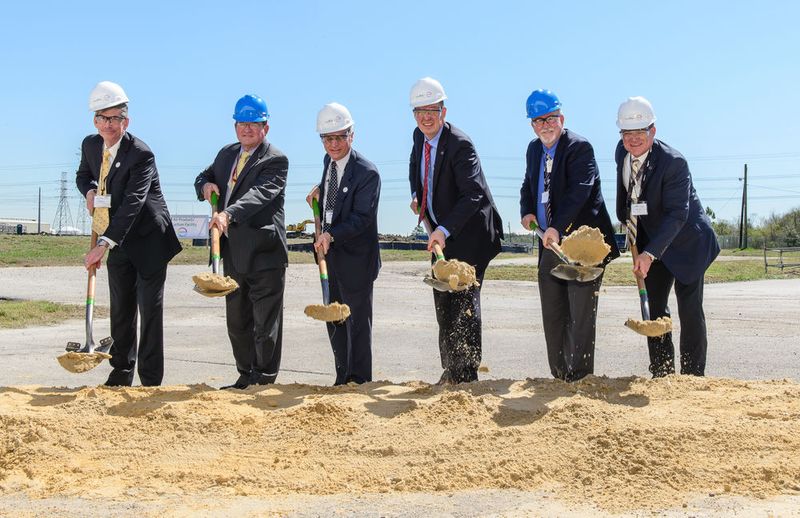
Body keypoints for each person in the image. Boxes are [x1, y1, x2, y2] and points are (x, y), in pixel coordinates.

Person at [76, 81, 182, 387]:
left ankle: (150, 381)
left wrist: (103, 245)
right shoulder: (91, 145)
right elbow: (83, 175)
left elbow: (133, 204)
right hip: (117, 237)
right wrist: (90, 190)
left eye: (115, 119)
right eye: (102, 119)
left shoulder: (141, 154)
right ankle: (121, 372)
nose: (108, 125)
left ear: (127, 121)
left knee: (149, 311)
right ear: (95, 120)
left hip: (148, 239)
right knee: (121, 308)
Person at [614, 96, 720, 377]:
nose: (633, 140)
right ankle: (661, 371)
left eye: (640, 133)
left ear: (653, 131)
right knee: (655, 308)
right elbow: (626, 195)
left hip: (687, 243)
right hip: (650, 240)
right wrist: (628, 228)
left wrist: (649, 254)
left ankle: (692, 377)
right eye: (627, 134)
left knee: (690, 311)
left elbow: (676, 216)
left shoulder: (674, 163)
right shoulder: (621, 153)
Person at [407, 77, 503, 384]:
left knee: (464, 303)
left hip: (470, 233)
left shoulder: (460, 144)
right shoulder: (418, 137)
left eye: (432, 110)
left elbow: (472, 194)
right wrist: (418, 201)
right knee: (443, 301)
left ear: (443, 111)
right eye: (420, 111)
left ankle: (467, 375)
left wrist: (444, 229)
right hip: (441, 237)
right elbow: (418, 175)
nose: (426, 117)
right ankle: (450, 370)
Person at [519, 89, 619, 382]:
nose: (545, 126)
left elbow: (580, 192)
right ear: (532, 125)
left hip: (581, 248)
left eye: (550, 118)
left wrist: (557, 227)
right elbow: (528, 184)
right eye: (538, 121)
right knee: (553, 311)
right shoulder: (534, 149)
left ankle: (579, 377)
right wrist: (527, 210)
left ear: (561, 118)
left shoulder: (579, 148)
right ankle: (559, 374)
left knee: (580, 314)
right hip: (550, 245)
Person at [194, 94, 288, 389]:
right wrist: (204, 186)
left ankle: (264, 378)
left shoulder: (275, 159)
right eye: (242, 123)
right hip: (234, 253)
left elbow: (258, 196)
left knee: (265, 323)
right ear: (235, 126)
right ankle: (245, 374)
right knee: (237, 320)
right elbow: (205, 176)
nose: (246, 129)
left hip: (264, 253)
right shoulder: (226, 154)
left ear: (266, 127)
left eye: (253, 124)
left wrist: (227, 215)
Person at [306, 103, 381, 385]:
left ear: (352, 135)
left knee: (357, 324)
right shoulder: (329, 163)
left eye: (340, 137)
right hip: (330, 257)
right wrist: (319, 192)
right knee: (335, 320)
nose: (334, 144)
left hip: (356, 261)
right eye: (328, 138)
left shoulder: (367, 172)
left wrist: (331, 234)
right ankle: (342, 378)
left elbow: (362, 218)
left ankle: (359, 381)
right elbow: (334, 199)